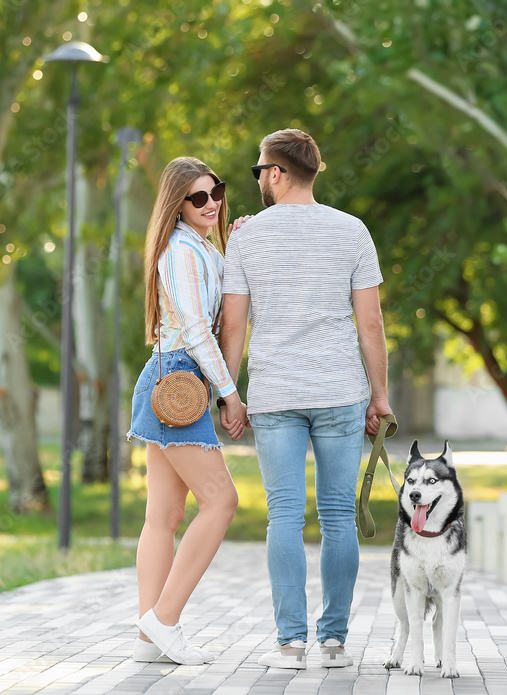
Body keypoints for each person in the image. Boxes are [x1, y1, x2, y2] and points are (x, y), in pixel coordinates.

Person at [218, 129, 391, 669]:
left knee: (284, 516)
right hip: (340, 391)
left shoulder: (246, 238)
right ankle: (334, 641)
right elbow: (371, 322)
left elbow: (235, 326)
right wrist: (379, 395)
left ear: (274, 173)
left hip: (275, 394)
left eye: (258, 172)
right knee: (339, 516)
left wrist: (229, 394)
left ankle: (291, 642)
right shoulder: (353, 231)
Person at [127, 156, 247, 665]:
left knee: (165, 515)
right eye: (199, 197)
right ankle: (164, 619)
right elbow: (199, 330)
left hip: (172, 382)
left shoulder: (200, 248)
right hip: (180, 383)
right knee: (221, 501)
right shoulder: (180, 251)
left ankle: (150, 638)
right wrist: (230, 393)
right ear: (178, 204)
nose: (211, 203)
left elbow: (225, 292)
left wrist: (234, 241)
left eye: (215, 191)